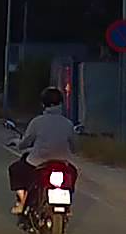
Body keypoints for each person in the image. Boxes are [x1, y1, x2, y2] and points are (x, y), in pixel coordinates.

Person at [8, 86, 77, 215]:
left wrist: (17, 142)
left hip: (38, 161)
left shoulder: (37, 122)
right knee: (73, 173)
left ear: (43, 104)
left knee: (15, 169)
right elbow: (74, 147)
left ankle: (22, 202)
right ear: (61, 104)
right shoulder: (68, 124)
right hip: (63, 162)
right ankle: (67, 205)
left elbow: (25, 143)